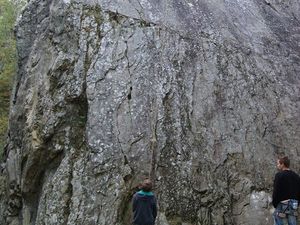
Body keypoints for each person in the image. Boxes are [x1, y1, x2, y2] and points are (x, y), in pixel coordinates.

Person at [272, 156, 300, 225]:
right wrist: (297, 202)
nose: (277, 165)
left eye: (278, 164)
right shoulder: (296, 176)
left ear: (283, 164)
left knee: (276, 216)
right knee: (292, 222)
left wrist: (275, 203)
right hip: (294, 203)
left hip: (283, 203)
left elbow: (276, 191)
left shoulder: (279, 175)